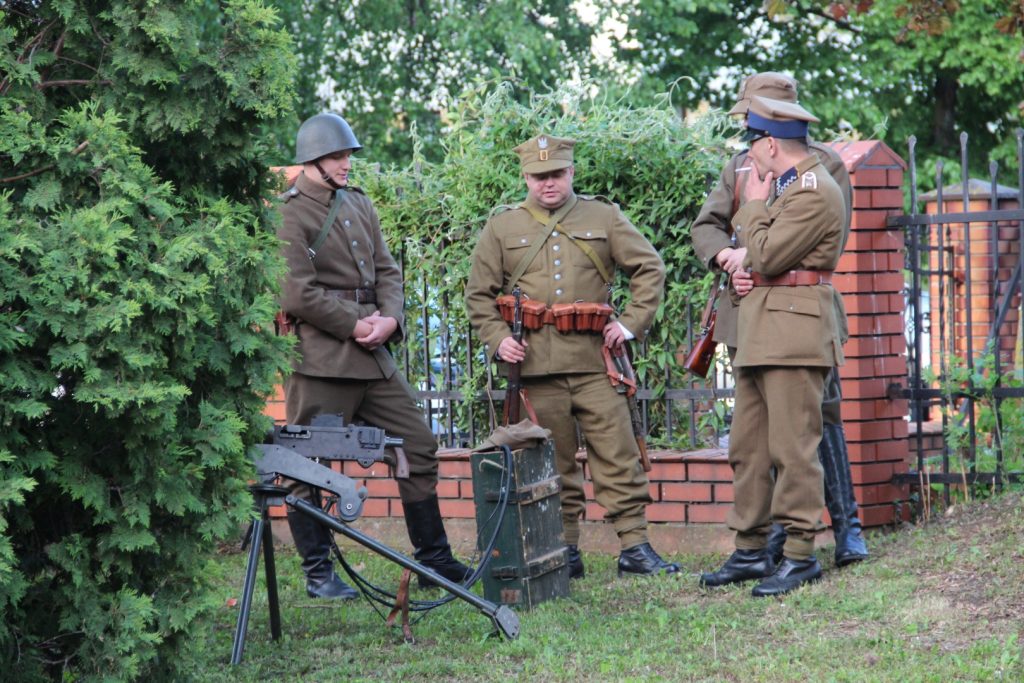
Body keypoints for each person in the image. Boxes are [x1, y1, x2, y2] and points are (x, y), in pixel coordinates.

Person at [465, 134, 679, 579]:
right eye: (539, 176)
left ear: (571, 172)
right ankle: (564, 551)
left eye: (557, 174)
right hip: (537, 369)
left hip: (597, 364)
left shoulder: (604, 216)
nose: (548, 183)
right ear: (525, 177)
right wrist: (498, 338)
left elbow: (649, 267)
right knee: (553, 462)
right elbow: (478, 296)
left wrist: (631, 324)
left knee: (619, 456)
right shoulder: (502, 228)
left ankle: (635, 548)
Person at [277, 112, 470, 598]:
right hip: (321, 359)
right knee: (304, 463)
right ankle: (319, 574)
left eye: (347, 156)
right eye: (338, 156)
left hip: (374, 355)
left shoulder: (358, 203)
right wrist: (354, 323)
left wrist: (390, 319)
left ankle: (436, 561)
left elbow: (388, 270)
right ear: (313, 160)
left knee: (419, 444)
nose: (347, 164)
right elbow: (296, 293)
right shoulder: (289, 212)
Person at [691, 72, 868, 570]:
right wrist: (730, 261)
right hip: (751, 311)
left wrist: (757, 258)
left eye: (752, 120)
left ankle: (841, 527)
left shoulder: (823, 168)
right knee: (752, 440)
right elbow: (707, 226)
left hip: (796, 314)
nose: (747, 136)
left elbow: (814, 246)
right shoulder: (741, 165)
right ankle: (759, 543)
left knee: (812, 427)